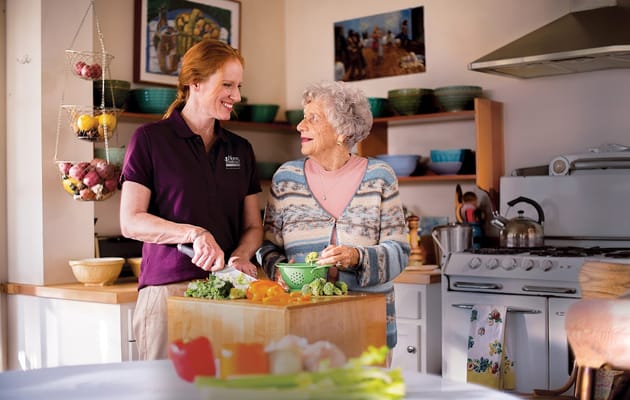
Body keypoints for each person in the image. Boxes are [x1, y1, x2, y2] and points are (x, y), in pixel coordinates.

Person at [119, 39, 263, 360]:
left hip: (229, 292)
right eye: (226, 84)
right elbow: (130, 221)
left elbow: (253, 225)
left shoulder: (240, 149)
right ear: (193, 83)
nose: (236, 96)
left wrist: (240, 257)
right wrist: (193, 233)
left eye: (238, 86)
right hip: (169, 292)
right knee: (165, 392)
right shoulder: (150, 140)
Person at [256, 80, 410, 351]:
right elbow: (268, 247)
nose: (300, 126)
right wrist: (278, 271)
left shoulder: (379, 177)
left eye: (312, 119)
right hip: (302, 327)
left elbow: (399, 252)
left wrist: (357, 257)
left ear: (342, 130)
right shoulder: (286, 178)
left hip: (368, 327)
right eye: (303, 119)